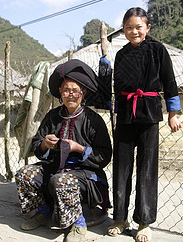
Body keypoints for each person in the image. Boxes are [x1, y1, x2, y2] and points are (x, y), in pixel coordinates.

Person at [15, 59, 112, 242]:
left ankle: (78, 222)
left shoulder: (93, 120)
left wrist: (80, 148)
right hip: (54, 168)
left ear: (83, 93)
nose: (71, 95)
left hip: (85, 174)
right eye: (66, 90)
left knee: (59, 180)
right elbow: (37, 145)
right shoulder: (52, 116)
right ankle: (44, 210)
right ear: (60, 92)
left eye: (75, 90)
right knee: (24, 174)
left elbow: (104, 155)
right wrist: (44, 144)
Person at [107, 7, 182, 242]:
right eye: (128, 27)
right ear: (124, 30)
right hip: (126, 117)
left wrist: (173, 113)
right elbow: (118, 87)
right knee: (121, 169)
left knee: (147, 171)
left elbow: (169, 81)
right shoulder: (121, 55)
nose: (133, 31)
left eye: (138, 26)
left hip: (150, 114)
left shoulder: (158, 50)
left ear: (147, 28)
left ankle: (144, 222)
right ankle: (120, 218)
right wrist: (117, 111)